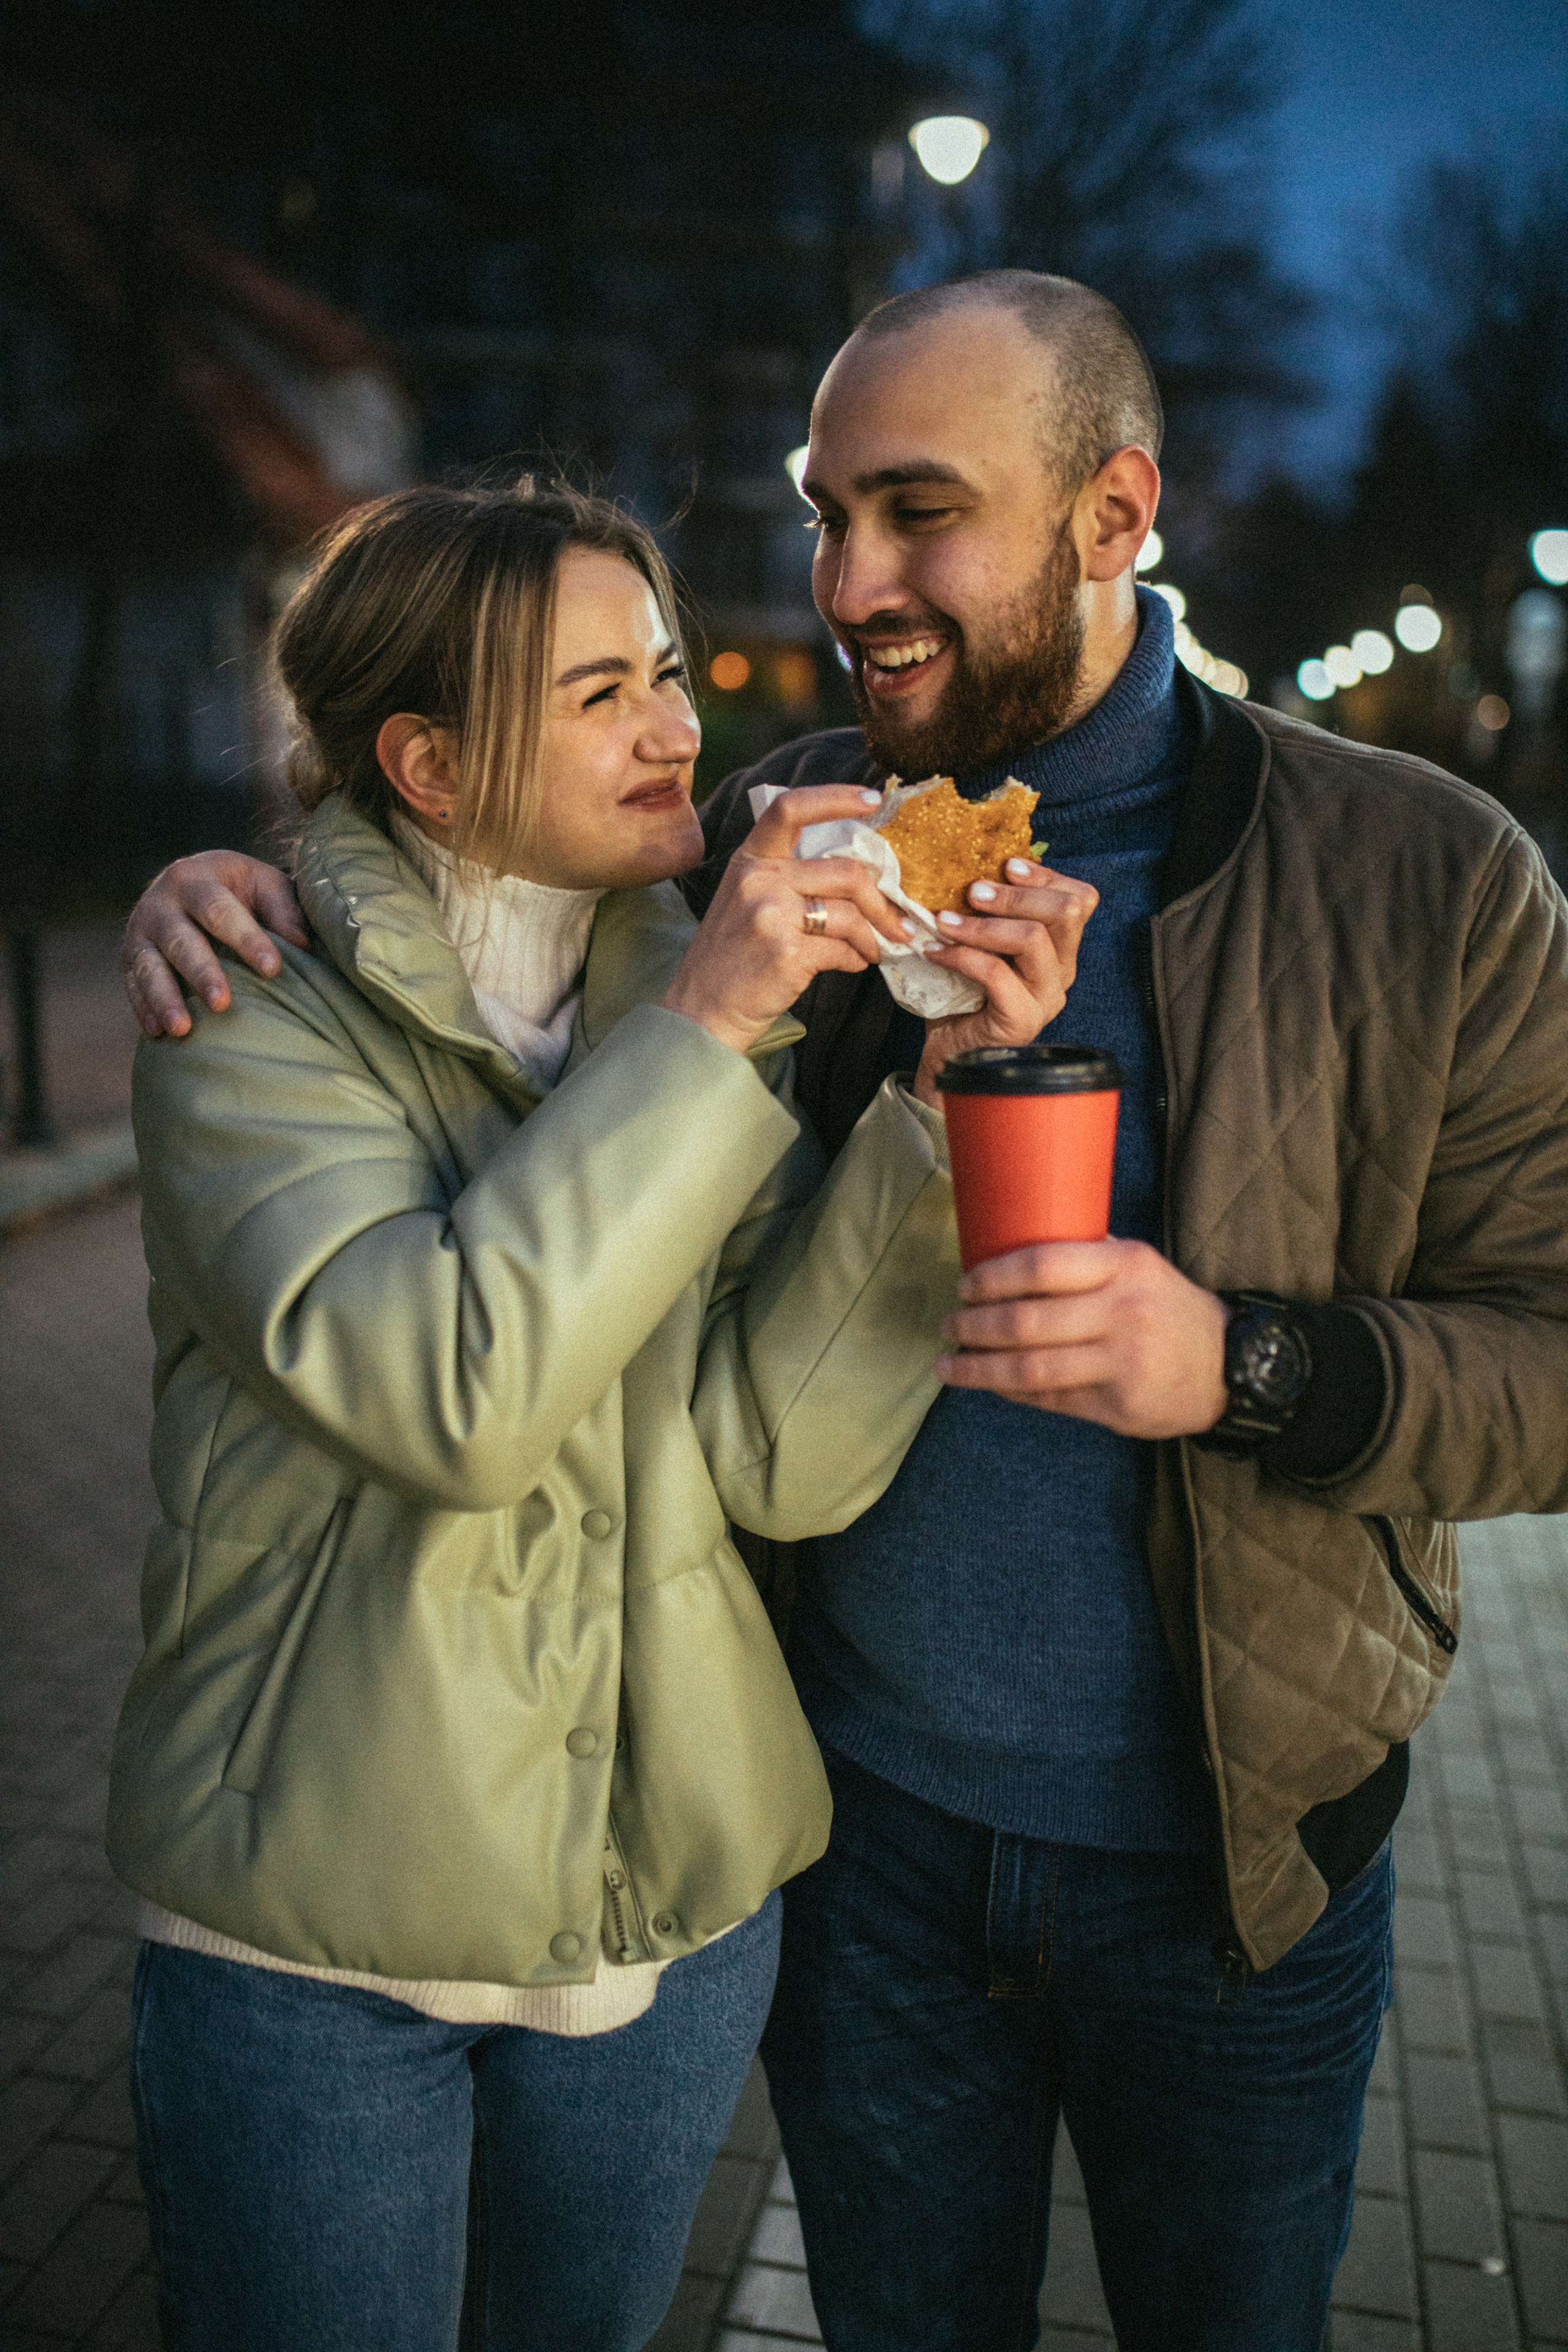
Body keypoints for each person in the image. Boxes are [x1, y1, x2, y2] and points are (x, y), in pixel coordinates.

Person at [120, 274, 1568, 2352]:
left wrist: (1248, 1366)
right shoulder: (762, 843)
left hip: (1236, 1879)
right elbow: (460, 864)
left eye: (917, 513)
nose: (847, 583)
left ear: (1112, 513)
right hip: (859, 1848)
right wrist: (242, 876)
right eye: (824, 513)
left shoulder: (1427, 879)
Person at [108, 475, 1084, 2352]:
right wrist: (707, 1035)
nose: (675, 725)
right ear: (430, 763)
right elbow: (451, 1394)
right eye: (596, 693)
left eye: (663, 666)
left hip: (673, 1918)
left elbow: (770, 1462)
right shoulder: (245, 1013)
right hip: (321, 1946)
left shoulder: (682, 986)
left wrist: (930, 1111)